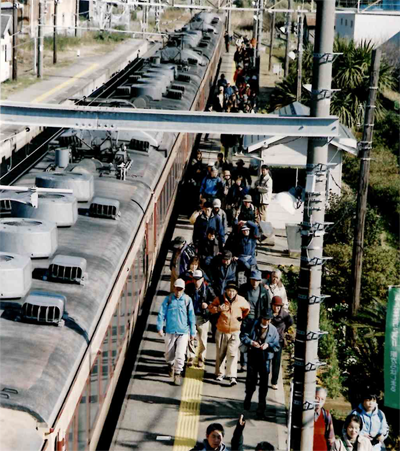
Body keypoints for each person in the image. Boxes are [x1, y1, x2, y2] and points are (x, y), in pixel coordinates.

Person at [240, 309, 280, 417]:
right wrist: (251, 342)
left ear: (270, 320)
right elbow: (243, 336)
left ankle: (261, 407)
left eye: (268, 319)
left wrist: (268, 345)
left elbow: (277, 343)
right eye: (264, 319)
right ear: (261, 318)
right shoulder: (252, 325)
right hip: (253, 356)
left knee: (263, 384)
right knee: (250, 381)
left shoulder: (273, 330)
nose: (266, 321)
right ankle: (247, 400)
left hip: (265, 359)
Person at [208, 282, 250, 385]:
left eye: (233, 291)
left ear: (236, 292)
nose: (231, 293)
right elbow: (210, 308)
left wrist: (240, 319)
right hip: (222, 330)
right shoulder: (220, 299)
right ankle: (219, 373)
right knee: (221, 353)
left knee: (233, 353)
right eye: (229, 291)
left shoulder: (241, 300)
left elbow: (247, 309)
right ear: (226, 291)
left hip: (235, 331)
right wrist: (218, 309)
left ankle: (232, 376)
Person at [157, 279, 196, 386]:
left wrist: (192, 332)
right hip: (170, 331)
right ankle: (170, 364)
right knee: (169, 354)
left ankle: (177, 373)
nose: (178, 291)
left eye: (180, 289)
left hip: (183, 332)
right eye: (176, 288)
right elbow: (161, 313)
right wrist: (160, 327)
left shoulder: (187, 300)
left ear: (183, 289)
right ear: (173, 288)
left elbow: (191, 317)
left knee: (180, 355)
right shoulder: (168, 299)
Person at [238, 269, 269, 371]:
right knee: (244, 340)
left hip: (257, 320)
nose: (254, 282)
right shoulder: (243, 289)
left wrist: (266, 319)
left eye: (256, 280)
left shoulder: (264, 291)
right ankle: (243, 362)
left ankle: (253, 362)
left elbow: (267, 306)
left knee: (256, 341)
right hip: (246, 319)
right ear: (249, 279)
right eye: (252, 279)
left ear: (260, 280)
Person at [185, 269, 216, 368]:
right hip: (191, 316)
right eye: (194, 279)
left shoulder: (208, 289)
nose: (196, 281)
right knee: (190, 338)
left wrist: (207, 305)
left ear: (202, 279)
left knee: (202, 340)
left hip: (203, 317)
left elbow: (215, 300)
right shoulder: (189, 288)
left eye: (198, 279)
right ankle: (190, 357)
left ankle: (201, 359)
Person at [270, 296, 293, 390]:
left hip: (278, 340)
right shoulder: (268, 313)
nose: (277, 308)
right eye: (275, 306)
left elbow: (290, 322)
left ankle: (274, 381)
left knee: (276, 361)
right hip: (267, 339)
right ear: (272, 305)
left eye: (279, 306)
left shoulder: (284, 315)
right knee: (265, 360)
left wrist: (284, 330)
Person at [314, 387, 335, 451]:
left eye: (322, 399)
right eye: (317, 398)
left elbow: (331, 438)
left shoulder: (326, 415)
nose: (319, 401)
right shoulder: (305, 414)